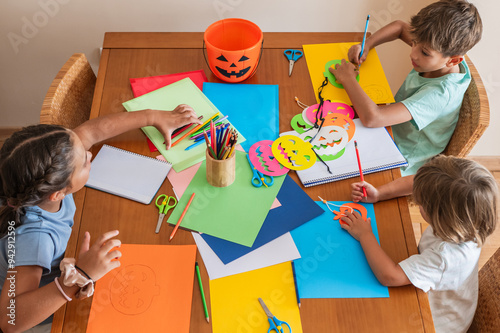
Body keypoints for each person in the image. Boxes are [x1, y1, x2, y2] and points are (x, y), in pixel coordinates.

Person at [0, 105, 201, 332]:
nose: (89, 153)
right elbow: (9, 320)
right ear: (58, 193)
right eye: (85, 162)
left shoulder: (46, 179)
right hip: (41, 311)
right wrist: (79, 277)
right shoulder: (36, 238)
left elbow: (91, 132)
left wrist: (152, 116)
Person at [330, 0, 482, 201]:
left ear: (453, 60)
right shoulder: (437, 50)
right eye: (414, 42)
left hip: (401, 159)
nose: (413, 52)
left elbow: (372, 118)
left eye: (424, 52)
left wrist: (348, 78)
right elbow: (400, 27)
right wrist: (367, 44)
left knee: (331, 172)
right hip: (389, 129)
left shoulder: (438, 95)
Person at [340, 155, 497, 333]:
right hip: (444, 293)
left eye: (420, 202)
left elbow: (389, 276)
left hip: (435, 323)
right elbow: (417, 182)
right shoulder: (470, 216)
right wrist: (380, 193)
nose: (417, 202)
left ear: (439, 216)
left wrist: (365, 235)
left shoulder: (444, 256)